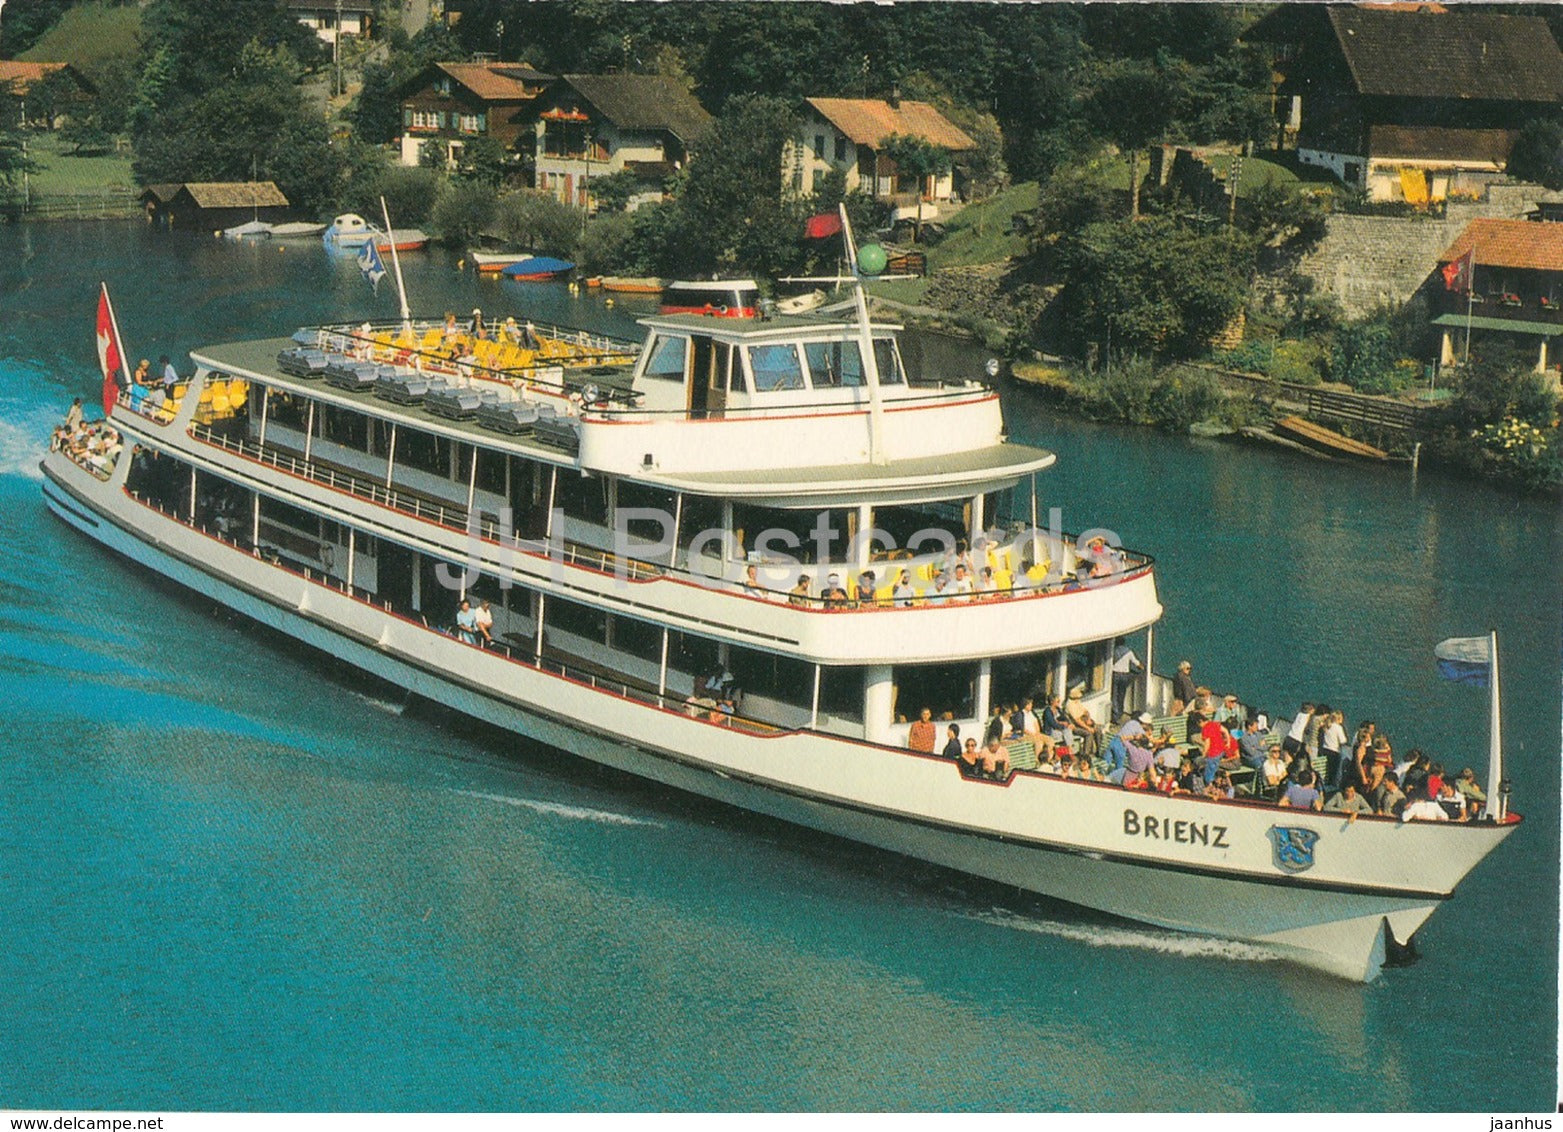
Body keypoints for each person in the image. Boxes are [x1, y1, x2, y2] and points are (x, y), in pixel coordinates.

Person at [1064, 688, 1099, 760]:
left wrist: (1088, 719)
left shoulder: (1077, 702)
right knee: (1088, 733)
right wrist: (1088, 727)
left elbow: (1086, 711)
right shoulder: (1069, 705)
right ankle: (1085, 756)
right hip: (1075, 726)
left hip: (1083, 722)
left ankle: (1099, 750)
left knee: (1097, 729)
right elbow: (1077, 721)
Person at [1111, 642, 1143, 717]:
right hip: (1125, 675)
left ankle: (1115, 714)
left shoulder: (1113, 650)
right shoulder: (1128, 651)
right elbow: (1136, 662)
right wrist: (1142, 667)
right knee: (1121, 695)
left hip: (1115, 673)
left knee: (1114, 695)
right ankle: (1120, 712)